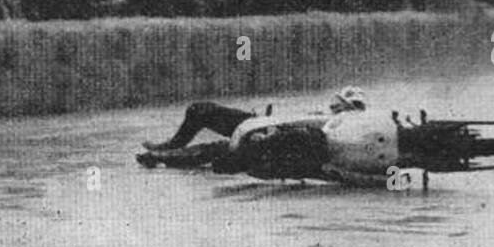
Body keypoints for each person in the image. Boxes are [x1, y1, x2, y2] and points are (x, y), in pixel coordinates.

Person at [138, 87, 367, 167]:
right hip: (260, 123)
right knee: (200, 109)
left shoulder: (342, 130)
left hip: (270, 139)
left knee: (219, 150)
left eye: (342, 105)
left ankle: (160, 157)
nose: (335, 105)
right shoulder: (321, 111)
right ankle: (169, 145)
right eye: (336, 101)